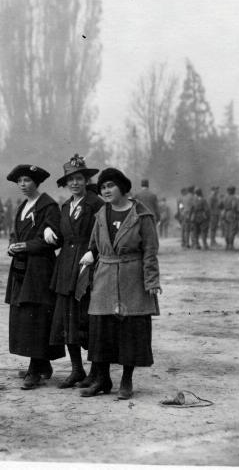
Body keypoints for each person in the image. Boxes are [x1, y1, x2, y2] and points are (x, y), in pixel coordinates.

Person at [78, 168, 161, 400]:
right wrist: (91, 255)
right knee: (101, 329)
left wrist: (152, 280)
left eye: (110, 186)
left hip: (131, 278)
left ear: (123, 188)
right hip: (104, 276)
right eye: (103, 187)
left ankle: (126, 380)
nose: (106, 190)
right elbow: (94, 243)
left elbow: (150, 251)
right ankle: (102, 379)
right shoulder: (101, 215)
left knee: (130, 331)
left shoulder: (142, 215)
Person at [4, 164, 65, 389]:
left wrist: (28, 245)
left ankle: (34, 370)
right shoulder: (22, 206)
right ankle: (43, 365)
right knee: (23, 316)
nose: (22, 185)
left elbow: (56, 238)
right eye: (19, 181)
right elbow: (15, 233)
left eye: (27, 181)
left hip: (40, 269)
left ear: (36, 183)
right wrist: (13, 245)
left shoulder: (48, 206)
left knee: (37, 315)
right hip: (22, 268)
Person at [47, 155, 102, 389]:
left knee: (89, 321)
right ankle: (77, 369)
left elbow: (105, 234)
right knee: (67, 319)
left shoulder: (97, 204)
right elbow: (62, 236)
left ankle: (96, 372)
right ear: (66, 183)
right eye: (71, 179)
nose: (75, 183)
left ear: (86, 180)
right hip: (66, 267)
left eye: (79, 178)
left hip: (88, 267)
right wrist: (50, 231)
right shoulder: (66, 206)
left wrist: (94, 252)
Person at [222, 186, 239, 250]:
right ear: (234, 191)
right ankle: (231, 245)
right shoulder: (234, 198)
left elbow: (220, 205)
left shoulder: (225, 198)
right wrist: (237, 213)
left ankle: (227, 245)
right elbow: (234, 206)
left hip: (225, 213)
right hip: (232, 213)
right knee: (232, 230)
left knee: (227, 230)